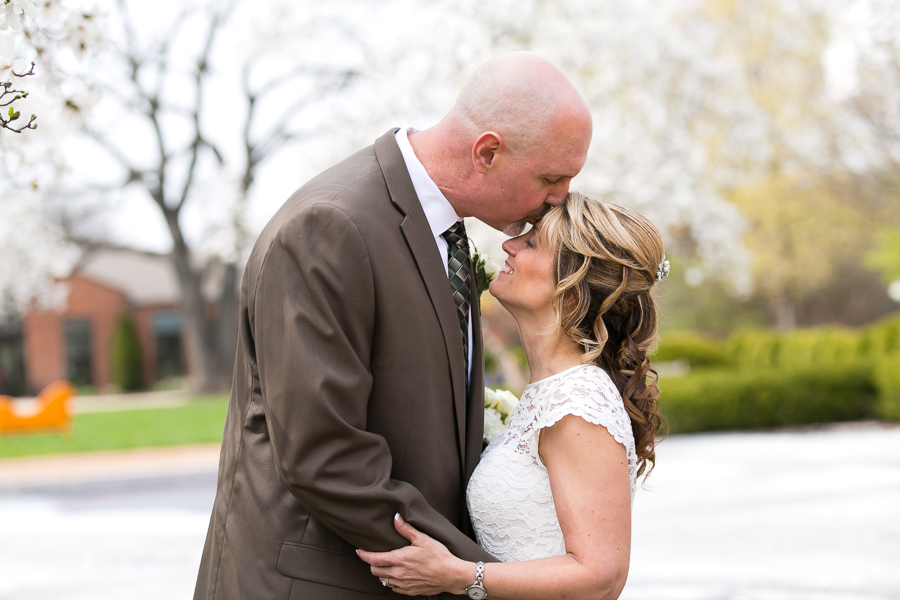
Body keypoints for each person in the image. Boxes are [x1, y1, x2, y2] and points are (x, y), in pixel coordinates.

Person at [193, 52, 592, 600]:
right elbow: (325, 455)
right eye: (551, 177)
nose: (560, 198)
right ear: (488, 152)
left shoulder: (449, 237)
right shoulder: (330, 226)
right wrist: (481, 579)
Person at [357, 192, 667, 600]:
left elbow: (601, 576)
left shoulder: (577, 401)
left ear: (571, 293)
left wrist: (461, 576)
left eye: (533, 242)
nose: (509, 244)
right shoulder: (549, 391)